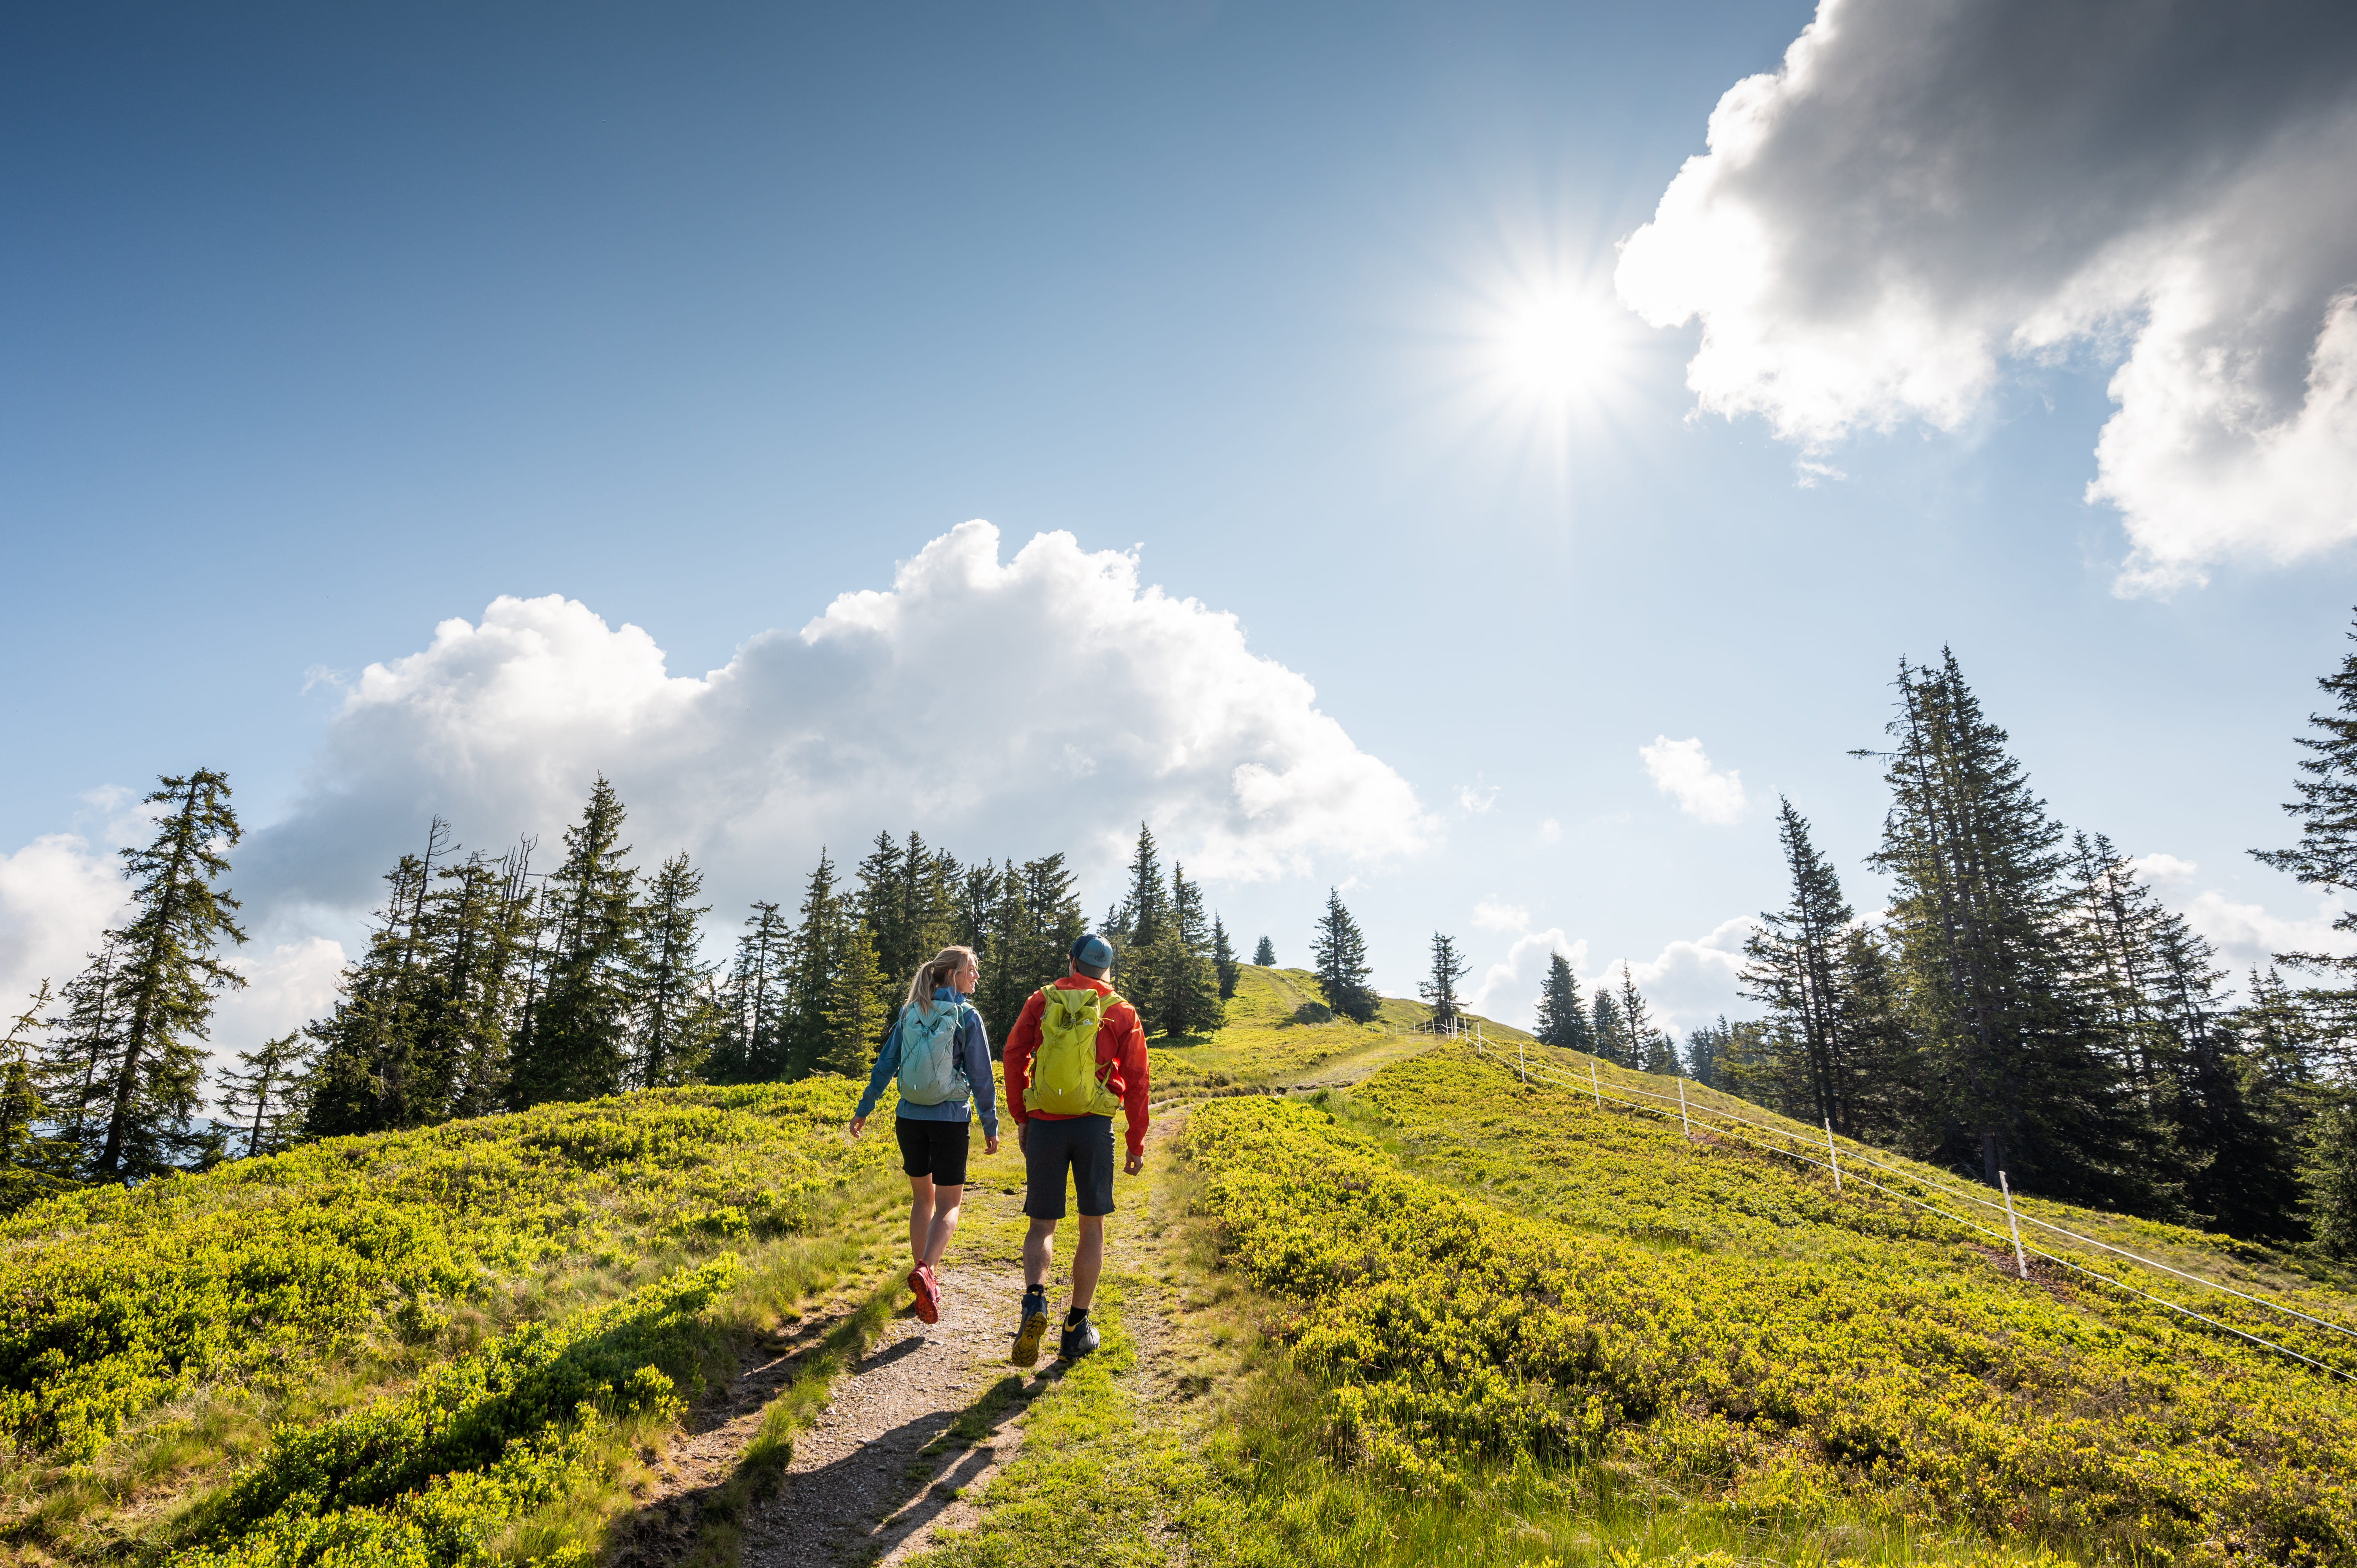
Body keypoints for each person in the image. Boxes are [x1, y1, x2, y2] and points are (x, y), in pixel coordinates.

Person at [999, 932, 1149, 1366]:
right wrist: (1135, 1140)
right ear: (1105, 970)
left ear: (1071, 962)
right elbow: (1137, 1080)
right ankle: (1075, 1329)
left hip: (1046, 1125)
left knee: (1041, 1224)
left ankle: (1035, 1301)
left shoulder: (1041, 1001)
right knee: (1091, 1227)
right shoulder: (1121, 1010)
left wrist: (1022, 1116)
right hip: (1093, 1127)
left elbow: (1013, 1055)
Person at [849, 944, 999, 1325]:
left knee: (922, 1200)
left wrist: (864, 1109)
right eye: (972, 970)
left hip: (909, 1119)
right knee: (950, 1205)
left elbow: (886, 1065)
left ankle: (922, 1277)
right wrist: (991, 1125)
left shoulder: (910, 1011)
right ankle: (927, 1272)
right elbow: (981, 1077)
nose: (976, 977)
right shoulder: (967, 1016)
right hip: (949, 1119)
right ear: (954, 975)